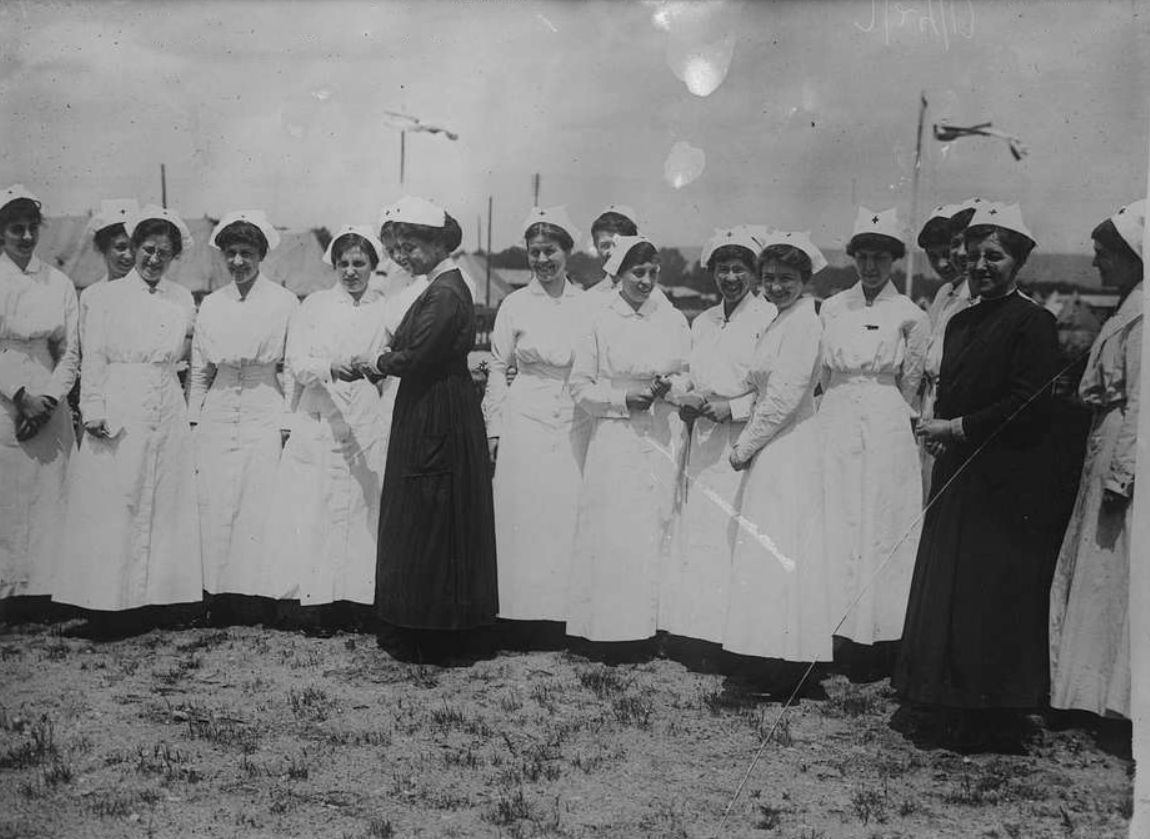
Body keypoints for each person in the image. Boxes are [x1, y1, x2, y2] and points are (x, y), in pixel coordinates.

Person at [895, 203, 1061, 748]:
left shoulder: (1033, 323)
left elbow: (1027, 404)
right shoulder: (961, 319)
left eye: (996, 256)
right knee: (949, 585)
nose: (982, 266)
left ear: (1019, 261)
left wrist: (959, 427)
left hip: (1004, 476)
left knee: (988, 590)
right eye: (976, 256)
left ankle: (989, 709)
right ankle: (943, 697)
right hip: (956, 468)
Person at [54, 206, 202, 622]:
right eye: (148, 250)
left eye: (164, 254)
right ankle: (108, 603)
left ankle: (157, 600)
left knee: (163, 498)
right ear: (134, 248)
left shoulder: (182, 298)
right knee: (117, 499)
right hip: (121, 399)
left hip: (166, 401)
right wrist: (94, 408)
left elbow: (186, 360)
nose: (154, 260)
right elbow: (94, 358)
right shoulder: (102, 297)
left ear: (174, 257)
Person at [369, 196, 497, 659]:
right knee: (429, 512)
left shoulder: (445, 290)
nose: (407, 255)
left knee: (434, 513)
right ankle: (424, 623)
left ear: (438, 242)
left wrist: (376, 362)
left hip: (438, 407)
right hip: (430, 403)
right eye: (400, 247)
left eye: (414, 245)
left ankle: (435, 629)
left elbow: (418, 355)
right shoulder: (439, 285)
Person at [567, 236, 691, 647]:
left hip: (659, 429)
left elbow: (689, 372)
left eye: (653, 272)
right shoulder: (597, 318)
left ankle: (652, 628)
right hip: (615, 432)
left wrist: (669, 386)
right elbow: (580, 387)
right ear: (618, 274)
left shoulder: (670, 317)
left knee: (656, 521)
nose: (646, 280)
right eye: (638, 272)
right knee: (615, 527)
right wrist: (622, 399)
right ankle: (609, 629)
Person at [262, 226, 390, 616]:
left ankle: (357, 600)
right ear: (334, 265)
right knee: (316, 503)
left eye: (359, 263)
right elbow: (297, 364)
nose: (351, 271)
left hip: (366, 416)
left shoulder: (386, 308)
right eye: (344, 263)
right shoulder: (314, 306)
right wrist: (329, 367)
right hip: (320, 414)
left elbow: (392, 362)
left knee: (361, 504)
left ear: (372, 265)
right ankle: (316, 601)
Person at [1049, 199, 1145, 719]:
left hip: (1122, 455)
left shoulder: (1144, 314)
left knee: (1112, 574)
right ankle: (1088, 691)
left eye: (1104, 254)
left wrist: (1123, 476)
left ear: (1134, 255)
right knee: (1096, 571)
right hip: (1103, 442)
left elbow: (1141, 404)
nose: (1096, 264)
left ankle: (1115, 699)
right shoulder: (1128, 306)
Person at [819, 207, 929, 655]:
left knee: (879, 517)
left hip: (885, 419)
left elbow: (912, 380)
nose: (870, 266)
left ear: (894, 261)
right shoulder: (831, 307)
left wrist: (880, 405)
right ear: (852, 258)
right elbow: (824, 374)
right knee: (835, 513)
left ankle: (879, 634)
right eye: (862, 256)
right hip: (838, 412)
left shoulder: (910, 314)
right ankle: (830, 625)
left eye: (879, 258)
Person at [724, 231, 833, 677]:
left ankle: (786, 662)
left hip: (788, 443)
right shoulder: (780, 318)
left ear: (804, 279)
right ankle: (765, 651)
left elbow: (784, 397)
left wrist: (743, 447)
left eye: (786, 278)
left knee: (781, 543)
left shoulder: (804, 321)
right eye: (768, 278)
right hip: (774, 444)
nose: (775, 286)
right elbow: (759, 385)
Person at [659, 227, 775, 647]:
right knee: (700, 532)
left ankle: (729, 636)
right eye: (723, 269)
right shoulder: (705, 321)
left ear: (754, 273)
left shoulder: (767, 319)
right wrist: (681, 392)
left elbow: (777, 389)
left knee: (732, 531)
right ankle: (695, 631)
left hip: (742, 441)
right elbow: (691, 371)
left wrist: (735, 408)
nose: (730, 278)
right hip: (703, 440)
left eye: (739, 269)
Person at [483, 207, 588, 639]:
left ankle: (561, 616)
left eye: (551, 251)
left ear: (568, 253)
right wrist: (494, 426)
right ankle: (517, 615)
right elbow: (495, 365)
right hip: (523, 412)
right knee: (521, 511)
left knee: (564, 512)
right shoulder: (514, 303)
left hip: (571, 416)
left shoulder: (587, 305)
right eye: (535, 252)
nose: (543, 261)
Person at [189, 211, 298, 616]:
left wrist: (288, 420)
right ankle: (215, 592)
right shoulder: (212, 304)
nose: (238, 262)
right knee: (216, 496)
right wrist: (194, 419)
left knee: (259, 495)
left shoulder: (285, 302)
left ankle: (258, 595)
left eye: (246, 253)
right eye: (231, 253)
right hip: (219, 403)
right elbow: (200, 370)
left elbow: (291, 369)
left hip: (264, 400)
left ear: (261, 254)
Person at [0, 185, 79, 610]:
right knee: (8, 491)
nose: (26, 237)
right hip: (5, 389)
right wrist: (18, 395)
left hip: (49, 387)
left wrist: (47, 399)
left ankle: (48, 591)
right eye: (17, 229)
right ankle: (9, 590)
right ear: (1, 233)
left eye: (32, 228)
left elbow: (70, 350)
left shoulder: (59, 282)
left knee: (51, 489)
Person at [916, 200, 978, 496]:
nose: (943, 264)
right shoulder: (943, 293)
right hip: (930, 407)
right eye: (933, 257)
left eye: (948, 253)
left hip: (953, 415)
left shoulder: (975, 294)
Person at [79, 199, 140, 347]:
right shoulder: (91, 296)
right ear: (103, 249)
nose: (128, 255)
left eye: (133, 247)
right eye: (120, 247)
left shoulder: (154, 292)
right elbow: (86, 346)